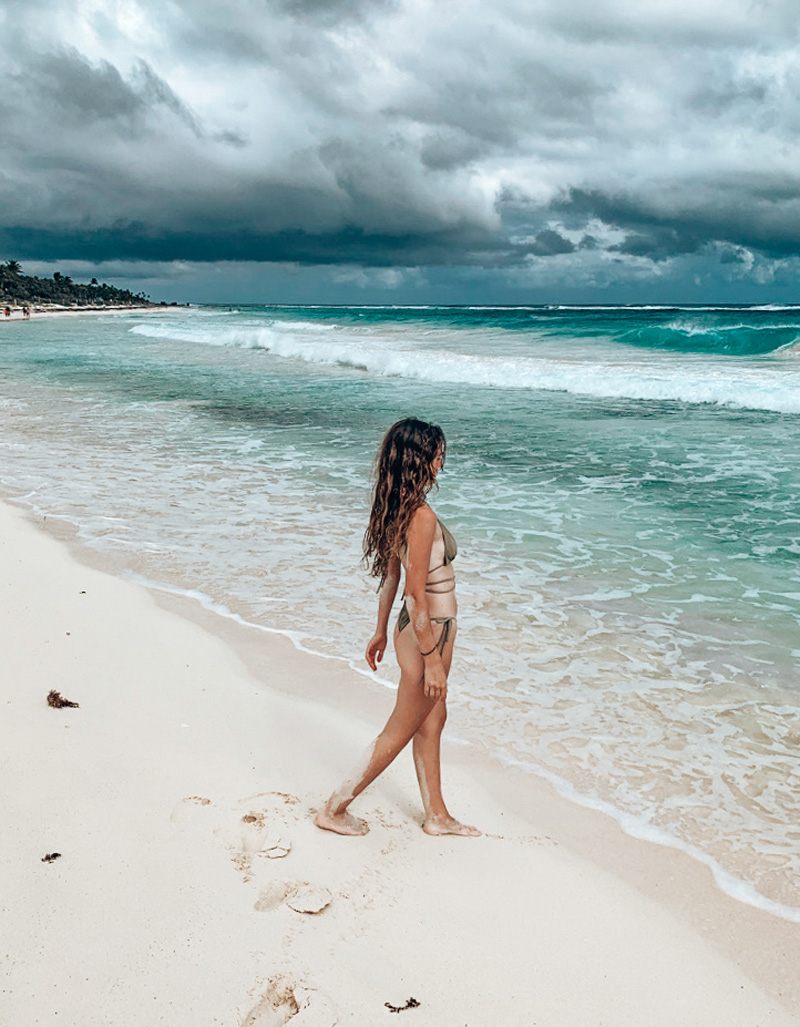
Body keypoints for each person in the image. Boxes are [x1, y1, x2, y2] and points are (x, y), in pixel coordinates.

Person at [315, 417, 481, 838]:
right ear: (420, 459)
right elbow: (416, 595)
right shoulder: (420, 516)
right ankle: (335, 808)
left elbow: (391, 577)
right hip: (430, 631)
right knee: (401, 728)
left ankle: (436, 815)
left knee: (432, 719)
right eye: (437, 453)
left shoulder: (398, 507)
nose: (442, 460)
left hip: (414, 630)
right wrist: (433, 661)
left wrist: (379, 631)